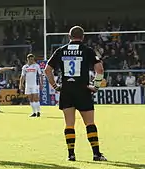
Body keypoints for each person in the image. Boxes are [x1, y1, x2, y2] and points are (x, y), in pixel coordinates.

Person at [45, 26, 107, 161]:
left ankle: (71, 154)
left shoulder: (60, 50)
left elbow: (47, 70)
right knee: (90, 123)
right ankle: (96, 154)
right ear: (83, 37)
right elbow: (100, 70)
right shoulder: (87, 50)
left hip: (66, 91)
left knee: (69, 124)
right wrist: (95, 86)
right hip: (83, 90)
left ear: (69, 36)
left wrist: (55, 86)